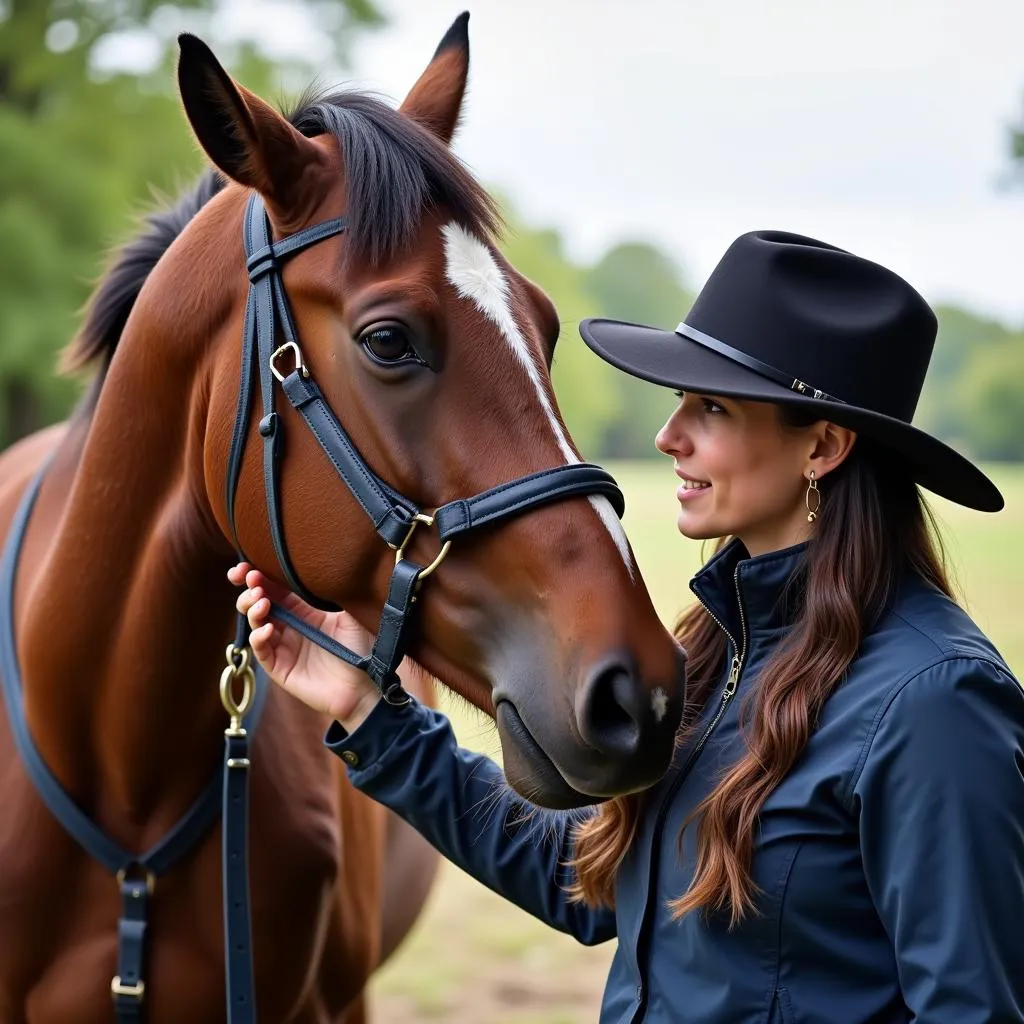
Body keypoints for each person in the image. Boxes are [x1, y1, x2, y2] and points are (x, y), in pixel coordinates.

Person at [230, 230, 1024, 1023]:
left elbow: (972, 1009)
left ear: (821, 445)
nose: (668, 435)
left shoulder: (936, 703)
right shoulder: (721, 656)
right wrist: (371, 712)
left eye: (710, 407)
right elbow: (588, 876)